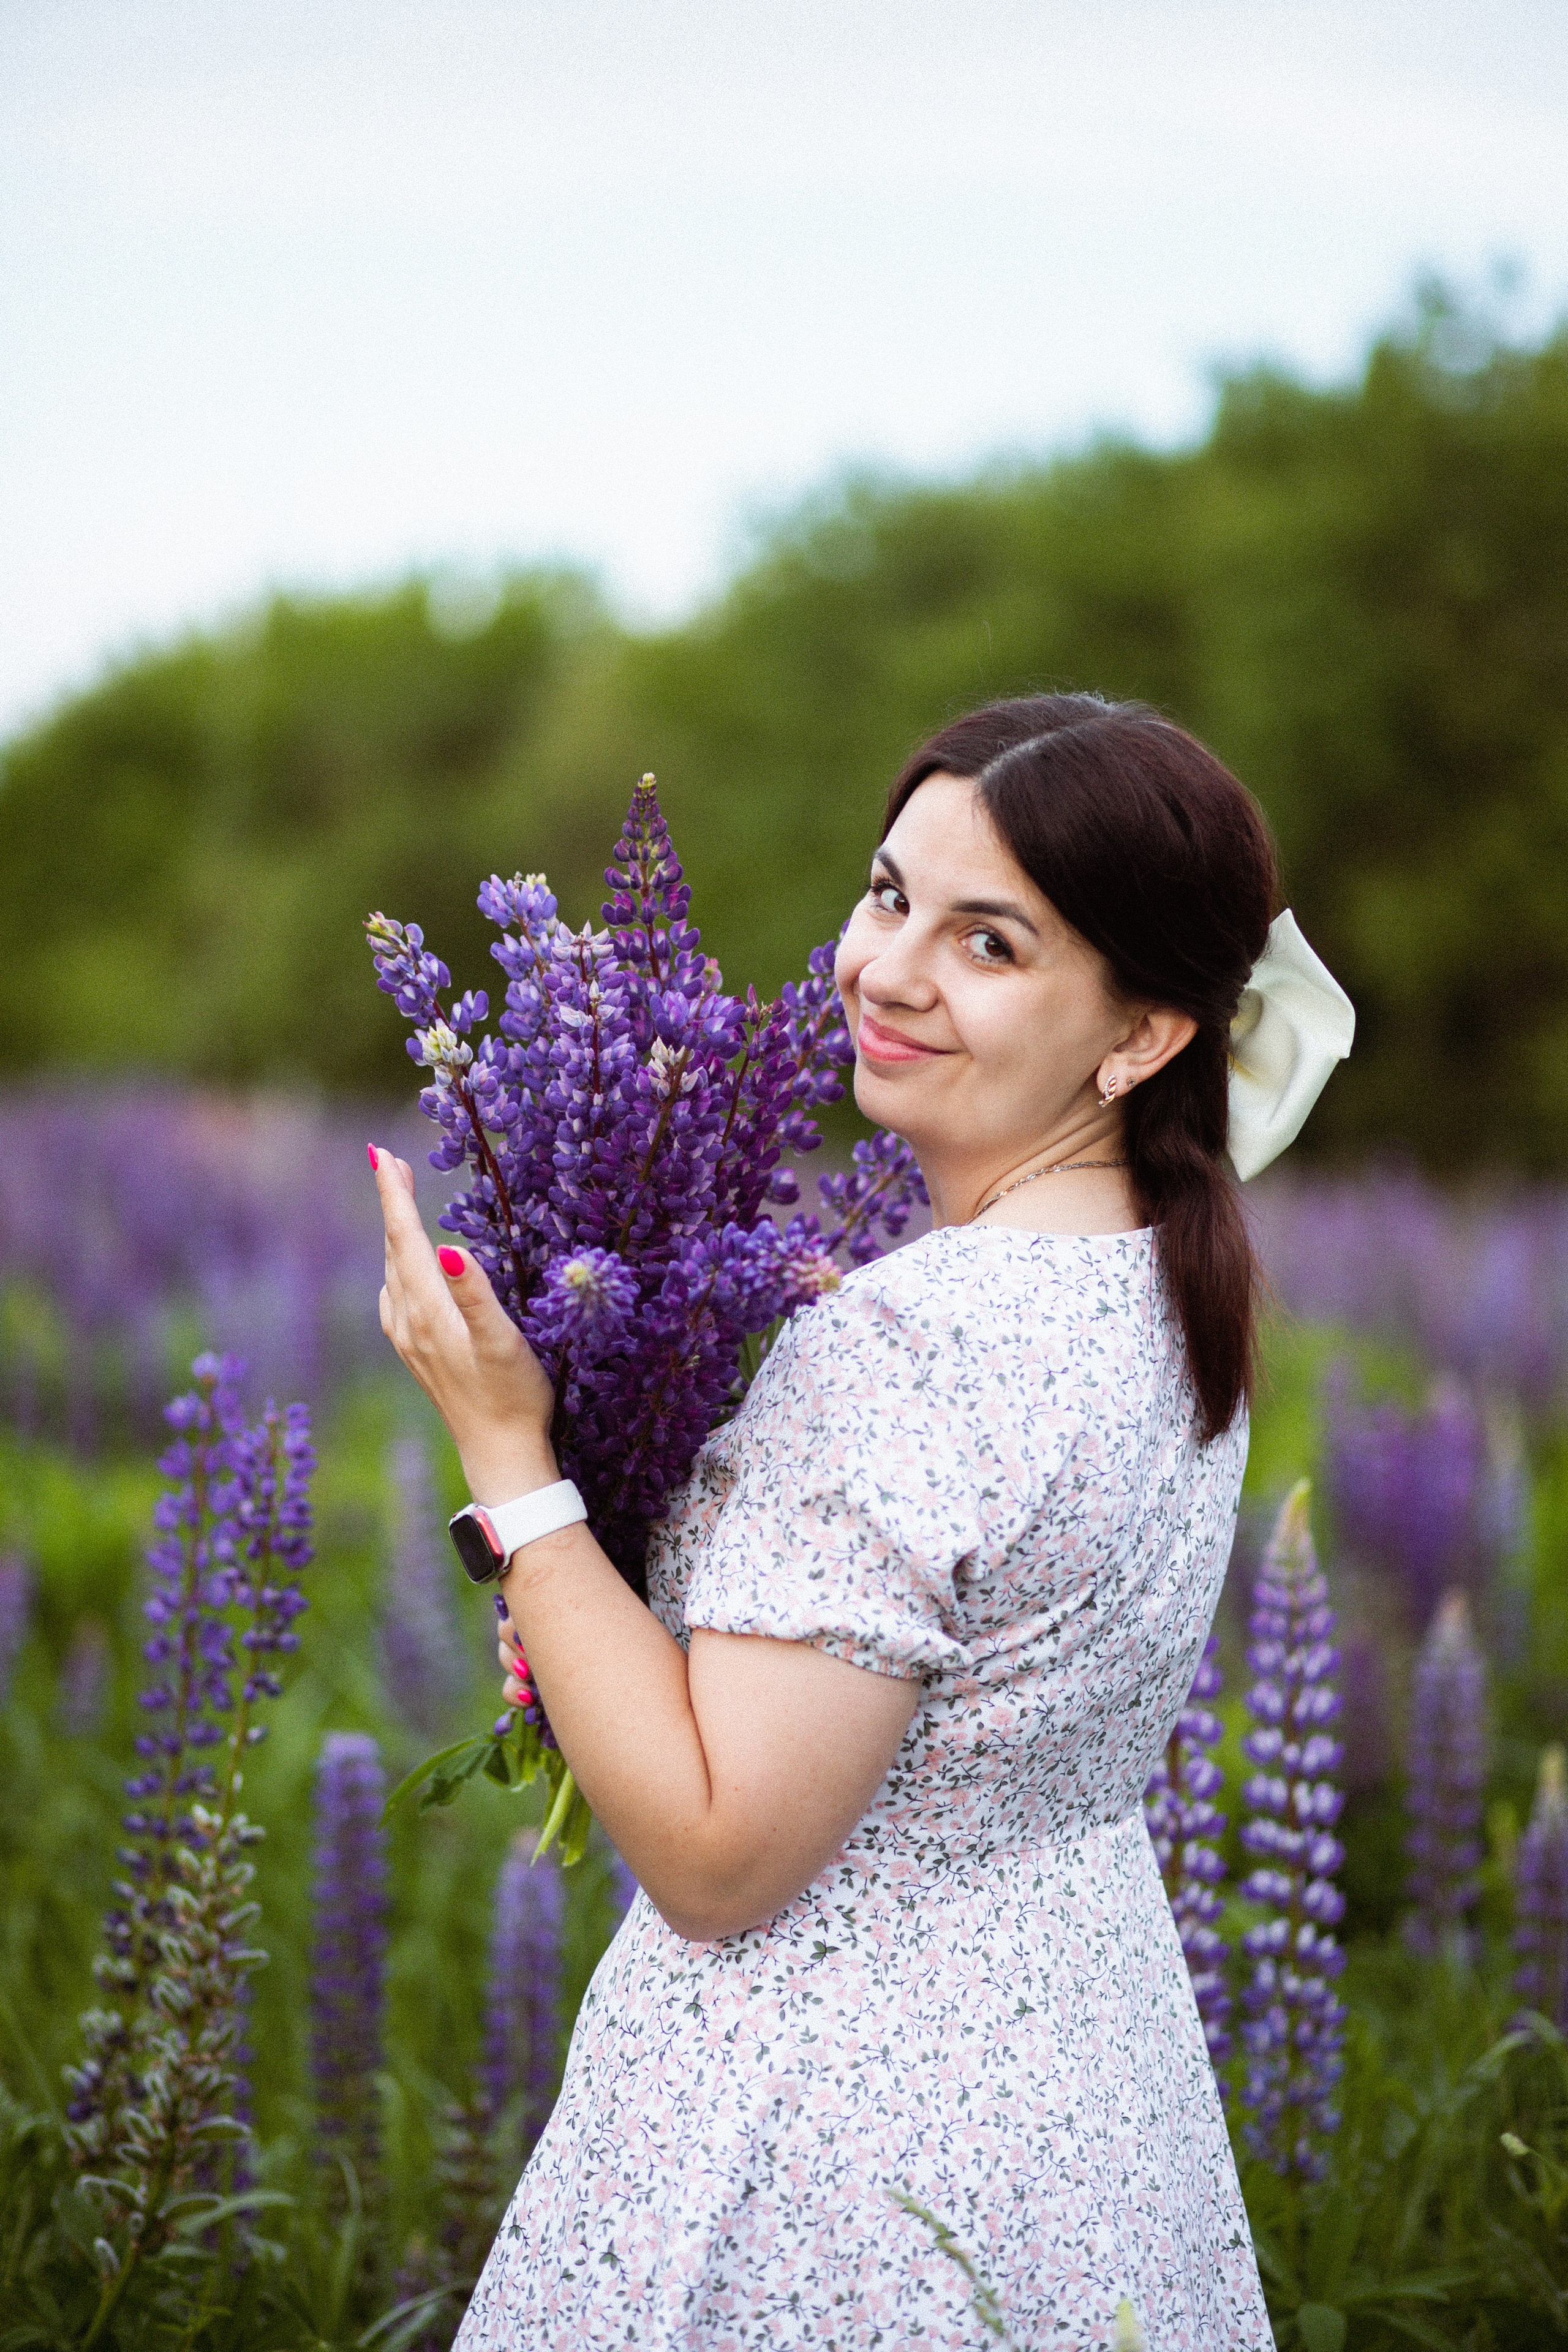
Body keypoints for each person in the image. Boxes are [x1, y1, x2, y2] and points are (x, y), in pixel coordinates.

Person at [370, 693, 1351, 2350]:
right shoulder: (1169, 1292)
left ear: (1141, 1035)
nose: (886, 969)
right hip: (1087, 2110)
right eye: (890, 894)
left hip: (825, 2152)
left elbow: (716, 1856)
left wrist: (509, 1457)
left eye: (989, 942)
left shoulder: (904, 1350)